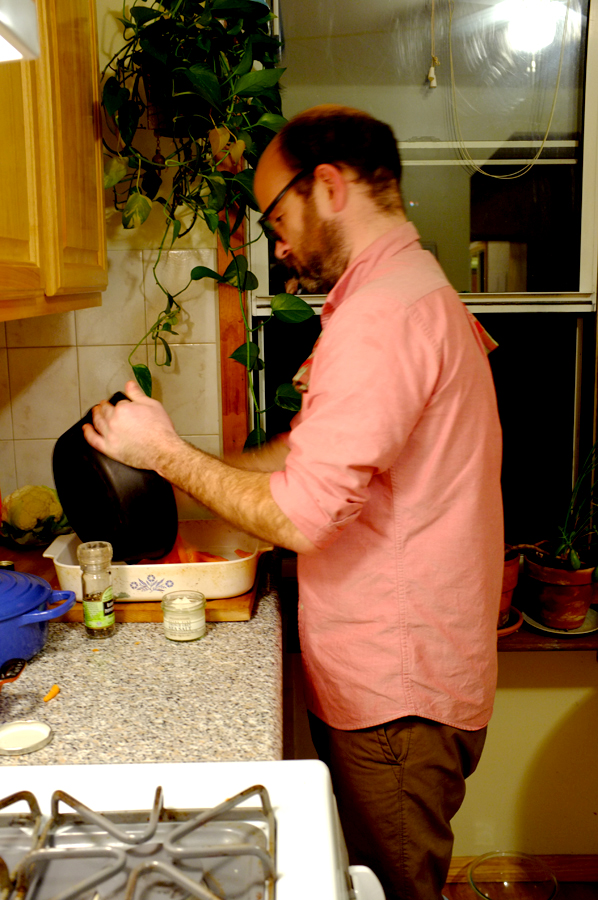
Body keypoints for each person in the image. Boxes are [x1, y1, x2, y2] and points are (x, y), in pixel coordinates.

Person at [83, 105, 504, 900]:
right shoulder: (403, 291)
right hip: (407, 677)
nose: (275, 244)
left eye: (277, 216)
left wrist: (163, 454)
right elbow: (313, 454)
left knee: (393, 889)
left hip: (395, 696)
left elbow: (303, 516)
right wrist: (177, 462)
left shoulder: (382, 318)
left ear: (329, 187)